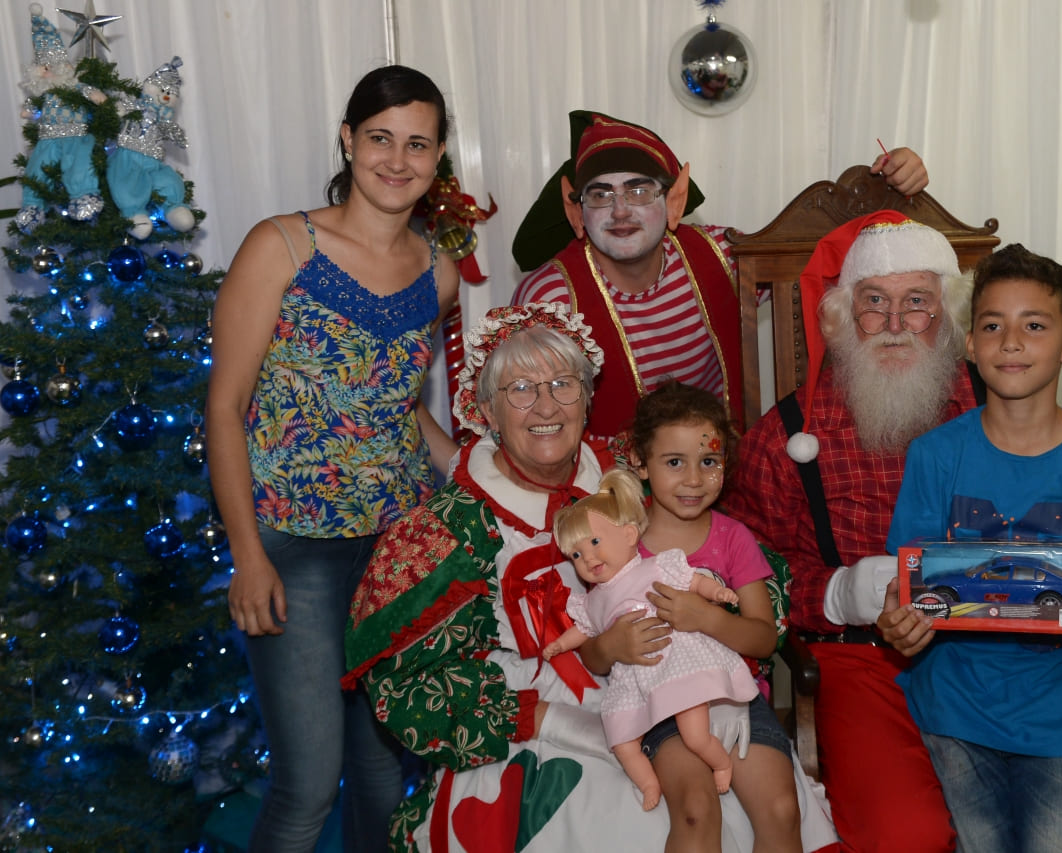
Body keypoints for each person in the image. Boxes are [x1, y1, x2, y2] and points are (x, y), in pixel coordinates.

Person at [718, 210, 1062, 852]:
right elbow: (736, 569)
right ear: (844, 316)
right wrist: (835, 591)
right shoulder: (788, 435)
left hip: (1035, 665)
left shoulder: (1003, 392)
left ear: (952, 322)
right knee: (907, 836)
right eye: (873, 303)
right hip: (862, 657)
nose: (895, 322)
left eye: (917, 303)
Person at [342, 303, 831, 852]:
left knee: (757, 809)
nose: (546, 405)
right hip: (533, 725)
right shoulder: (449, 530)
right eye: (520, 389)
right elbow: (409, 683)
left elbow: (739, 570)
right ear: (486, 412)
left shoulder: (631, 472)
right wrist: (544, 717)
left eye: (563, 384)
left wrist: (723, 676)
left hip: (673, 689)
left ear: (587, 398)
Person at [206, 65, 460, 852]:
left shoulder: (439, 272)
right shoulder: (281, 246)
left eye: (417, 143)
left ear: (438, 156)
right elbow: (224, 407)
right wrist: (247, 554)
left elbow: (399, 402)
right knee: (308, 784)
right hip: (294, 545)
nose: (397, 159)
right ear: (349, 140)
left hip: (397, 547)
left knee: (385, 775)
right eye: (381, 138)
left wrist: (478, 476)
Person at [875, 242, 1062, 852]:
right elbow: (907, 583)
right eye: (992, 326)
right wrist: (897, 622)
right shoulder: (934, 454)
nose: (1010, 342)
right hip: (955, 707)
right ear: (969, 345)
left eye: (1034, 326)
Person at [511, 110, 928, 436]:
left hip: (718, 480)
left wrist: (894, 187)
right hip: (608, 496)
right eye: (601, 195)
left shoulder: (723, 254)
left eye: (639, 191)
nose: (620, 211)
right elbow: (529, 420)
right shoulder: (550, 300)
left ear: (674, 201)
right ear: (577, 212)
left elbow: (841, 259)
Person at [630, 379, 819, 853]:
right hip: (662, 704)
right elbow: (593, 644)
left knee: (782, 809)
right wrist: (614, 645)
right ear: (640, 463)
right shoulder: (622, 540)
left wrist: (707, 618)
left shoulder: (733, 538)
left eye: (709, 461)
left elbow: (763, 639)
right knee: (696, 808)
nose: (694, 479)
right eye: (675, 462)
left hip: (737, 698)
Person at [545, 468, 758, 809]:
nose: (588, 559)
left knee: (695, 736)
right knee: (621, 739)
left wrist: (716, 592)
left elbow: (692, 581)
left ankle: (721, 763)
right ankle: (648, 784)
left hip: (673, 662)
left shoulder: (655, 567)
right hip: (634, 677)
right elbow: (584, 630)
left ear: (629, 534)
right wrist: (560, 644)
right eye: (577, 555)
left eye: (595, 543)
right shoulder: (593, 601)